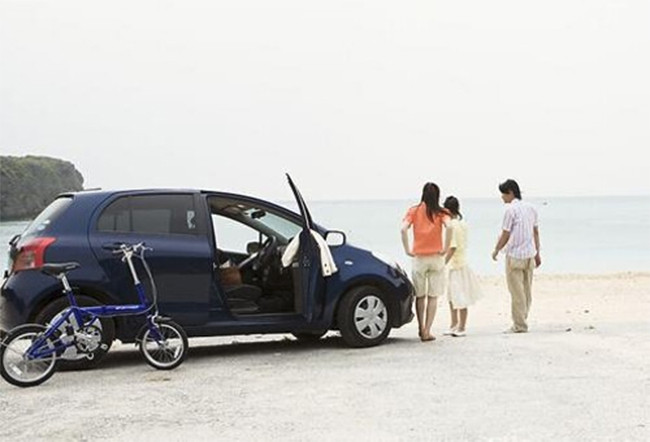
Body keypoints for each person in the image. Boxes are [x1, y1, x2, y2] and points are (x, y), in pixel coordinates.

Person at [401, 182, 450, 342]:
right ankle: (428, 330)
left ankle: (421, 327)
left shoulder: (414, 211)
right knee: (433, 296)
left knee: (420, 296)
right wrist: (446, 248)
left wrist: (407, 249)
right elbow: (450, 227)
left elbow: (403, 229)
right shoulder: (442, 212)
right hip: (436, 257)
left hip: (419, 258)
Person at [491, 179, 541, 333]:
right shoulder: (531, 208)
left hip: (514, 256)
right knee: (526, 291)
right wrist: (538, 253)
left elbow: (506, 234)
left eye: (503, 194)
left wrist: (496, 249)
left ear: (510, 193)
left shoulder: (510, 210)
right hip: (529, 255)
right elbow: (535, 232)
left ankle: (519, 325)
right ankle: (522, 319)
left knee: (517, 292)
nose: (502, 197)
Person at [442, 196, 482, 337]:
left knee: (458, 297)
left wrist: (443, 263)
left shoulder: (452, 226)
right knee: (453, 296)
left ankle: (461, 327)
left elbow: (452, 247)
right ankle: (454, 325)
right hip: (461, 262)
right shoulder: (462, 224)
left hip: (456, 265)